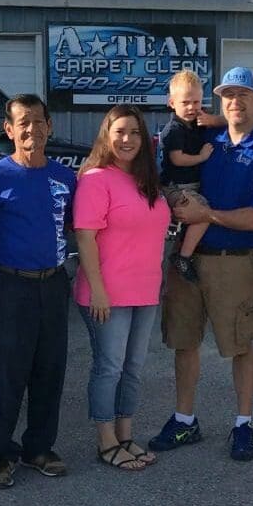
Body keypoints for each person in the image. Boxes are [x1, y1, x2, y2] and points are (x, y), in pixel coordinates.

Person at [150, 66, 253, 461]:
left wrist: (207, 216)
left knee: (241, 346)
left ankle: (243, 424)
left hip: (234, 260)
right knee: (184, 342)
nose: (235, 101)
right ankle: (184, 419)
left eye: (244, 94)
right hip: (185, 261)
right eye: (228, 95)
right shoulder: (205, 138)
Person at [0, 94, 77, 489]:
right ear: (10, 130)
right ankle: (2, 453)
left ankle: (39, 448)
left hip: (53, 283)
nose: (31, 129)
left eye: (39, 121)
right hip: (11, 285)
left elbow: (70, 227)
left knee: (50, 369)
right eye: (23, 122)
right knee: (8, 371)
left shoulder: (66, 178)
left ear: (49, 126)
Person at [74, 105, 172, 471]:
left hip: (144, 291)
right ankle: (106, 441)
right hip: (106, 294)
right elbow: (85, 237)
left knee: (133, 367)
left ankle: (126, 434)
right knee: (109, 367)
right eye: (119, 132)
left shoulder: (149, 181)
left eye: (134, 132)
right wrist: (97, 289)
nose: (127, 139)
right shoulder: (96, 179)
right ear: (107, 135)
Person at [159, 70, 219, 283]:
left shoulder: (197, 124)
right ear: (172, 103)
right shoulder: (173, 129)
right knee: (203, 212)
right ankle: (182, 257)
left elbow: (225, 123)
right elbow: (178, 159)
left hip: (189, 185)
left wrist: (212, 119)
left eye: (197, 102)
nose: (192, 107)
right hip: (174, 187)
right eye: (186, 102)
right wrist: (202, 157)